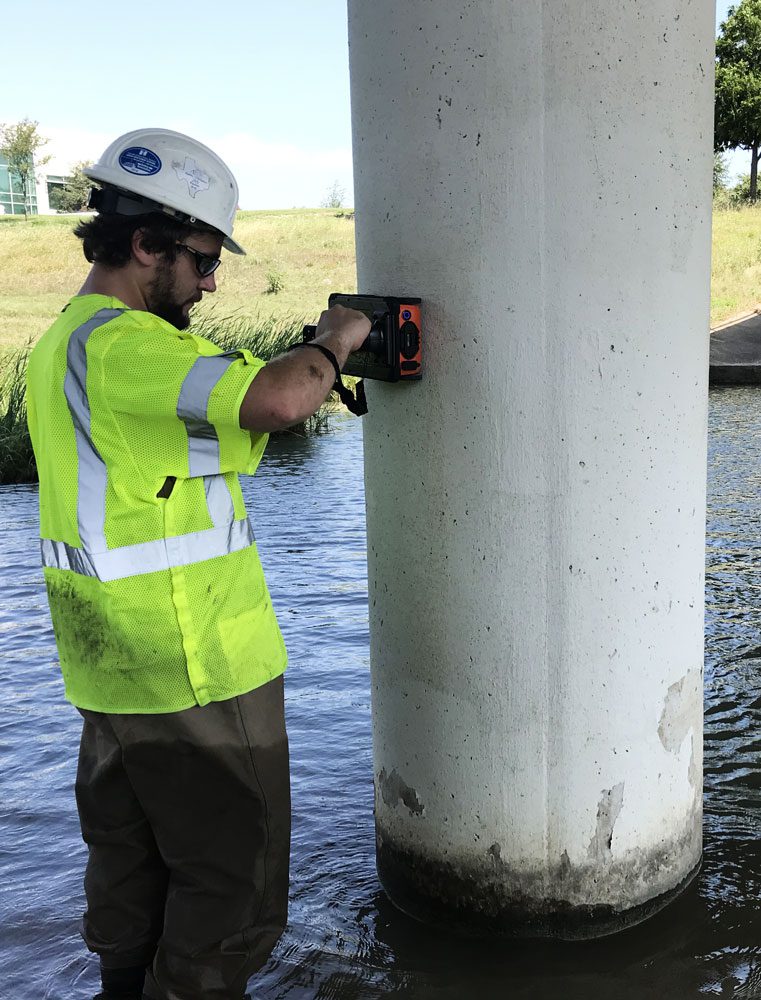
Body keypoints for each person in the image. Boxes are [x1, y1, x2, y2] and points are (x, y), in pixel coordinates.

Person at [25, 128, 370, 1000]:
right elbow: (281, 400)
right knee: (230, 885)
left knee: (130, 865)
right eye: (203, 258)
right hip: (198, 672)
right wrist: (334, 340)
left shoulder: (60, 344)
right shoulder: (132, 349)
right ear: (145, 244)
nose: (212, 282)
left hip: (111, 673)